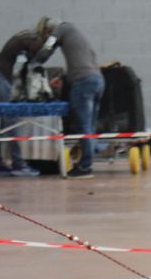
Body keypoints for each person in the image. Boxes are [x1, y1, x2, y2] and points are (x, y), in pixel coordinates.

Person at [31, 16, 105, 179]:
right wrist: (63, 78)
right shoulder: (76, 33)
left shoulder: (61, 28)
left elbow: (47, 48)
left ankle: (85, 167)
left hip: (83, 83)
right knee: (90, 126)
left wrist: (34, 62)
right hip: (98, 80)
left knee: (83, 126)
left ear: (49, 30)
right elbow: (82, 61)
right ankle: (86, 163)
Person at [0, 28, 45, 175]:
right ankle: (18, 164)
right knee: (10, 121)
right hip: (0, 78)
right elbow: (32, 69)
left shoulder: (26, 37)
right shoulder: (36, 41)